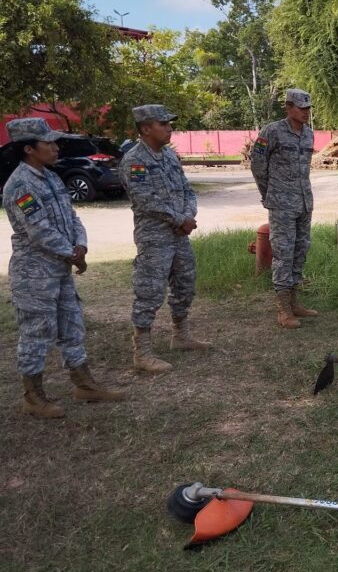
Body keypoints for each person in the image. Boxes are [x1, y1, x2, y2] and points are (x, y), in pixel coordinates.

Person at [2, 118, 125, 418]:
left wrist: (80, 245)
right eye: (49, 143)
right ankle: (33, 396)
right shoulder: (20, 184)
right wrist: (72, 253)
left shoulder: (52, 178)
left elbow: (72, 217)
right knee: (36, 332)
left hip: (60, 268)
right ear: (29, 149)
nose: (56, 148)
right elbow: (39, 230)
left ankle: (84, 385)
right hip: (35, 274)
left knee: (72, 326)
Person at [119, 104, 211, 373]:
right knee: (149, 292)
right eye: (163, 124)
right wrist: (179, 219)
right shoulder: (135, 161)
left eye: (169, 123)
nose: (169, 128)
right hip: (154, 237)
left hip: (179, 234)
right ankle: (142, 353)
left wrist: (188, 215)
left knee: (185, 283)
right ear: (146, 128)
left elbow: (186, 189)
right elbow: (145, 200)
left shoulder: (169, 156)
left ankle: (180, 336)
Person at [251, 88, 319, 328]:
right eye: (301, 108)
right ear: (288, 107)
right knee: (283, 253)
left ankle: (294, 302)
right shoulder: (272, 131)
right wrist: (267, 193)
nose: (306, 112)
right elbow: (257, 164)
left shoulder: (309, 134)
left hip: (304, 202)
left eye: (308, 108)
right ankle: (283, 309)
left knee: (300, 250)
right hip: (281, 204)